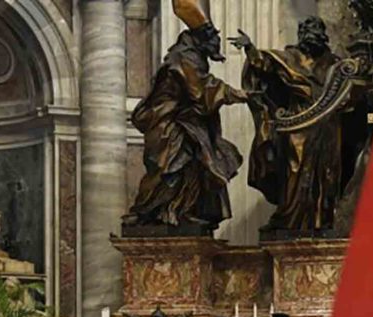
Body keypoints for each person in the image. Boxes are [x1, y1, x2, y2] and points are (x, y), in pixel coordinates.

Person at [123, 6, 250, 230]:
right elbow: (200, 90)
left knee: (194, 168)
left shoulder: (192, 56)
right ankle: (147, 211)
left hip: (186, 124)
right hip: (168, 125)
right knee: (169, 170)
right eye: (214, 37)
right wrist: (236, 94)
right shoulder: (182, 58)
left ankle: (181, 210)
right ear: (201, 38)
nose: (217, 42)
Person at [231, 18, 343, 231]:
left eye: (317, 31)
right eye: (309, 31)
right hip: (298, 122)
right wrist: (250, 48)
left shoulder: (333, 63)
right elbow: (264, 64)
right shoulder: (289, 58)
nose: (313, 35)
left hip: (327, 124)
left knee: (326, 174)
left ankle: (321, 220)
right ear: (301, 35)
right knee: (295, 169)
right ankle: (289, 218)